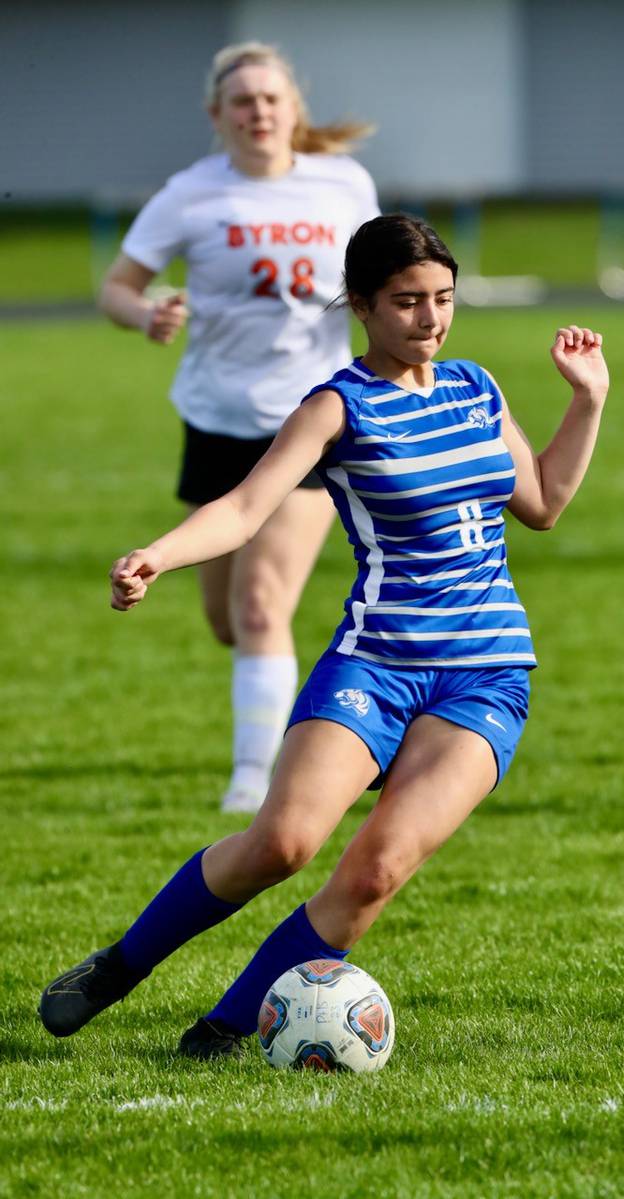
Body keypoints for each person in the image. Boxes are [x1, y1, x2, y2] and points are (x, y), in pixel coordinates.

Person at [38, 214, 609, 1060]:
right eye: (408, 302)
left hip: (485, 676)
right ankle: (121, 964)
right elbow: (241, 508)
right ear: (361, 306)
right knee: (282, 842)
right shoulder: (338, 406)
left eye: (443, 299)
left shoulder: (477, 388)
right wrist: (157, 556)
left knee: (373, 873)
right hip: (374, 665)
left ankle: (222, 1031)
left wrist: (587, 397)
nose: (430, 318)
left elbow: (545, 503)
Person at [98, 42, 379, 813]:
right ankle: (271, 704)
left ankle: (255, 782)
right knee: (227, 621)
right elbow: (116, 287)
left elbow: (383, 278)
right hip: (219, 420)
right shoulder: (191, 195)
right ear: (217, 116)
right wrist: (145, 313)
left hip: (314, 418)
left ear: (295, 108)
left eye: (271, 98)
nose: (259, 112)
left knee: (262, 605)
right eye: (243, 101)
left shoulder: (344, 184)